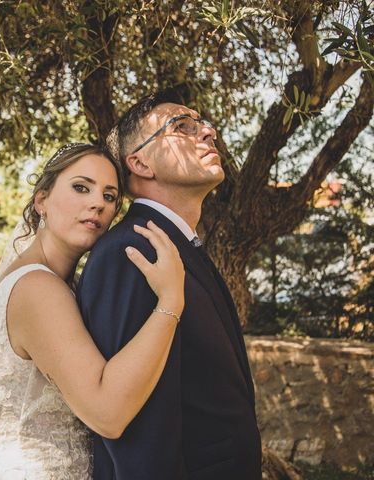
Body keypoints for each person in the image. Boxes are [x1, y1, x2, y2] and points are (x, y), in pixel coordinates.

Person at [0, 143, 186, 479]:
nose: (97, 203)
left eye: (110, 197)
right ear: (42, 201)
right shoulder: (37, 288)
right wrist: (170, 301)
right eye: (81, 187)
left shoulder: (48, 282)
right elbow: (107, 414)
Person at [77, 93, 262, 480]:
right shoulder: (130, 253)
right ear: (140, 162)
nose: (209, 132)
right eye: (182, 127)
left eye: (203, 123)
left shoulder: (179, 244)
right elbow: (139, 436)